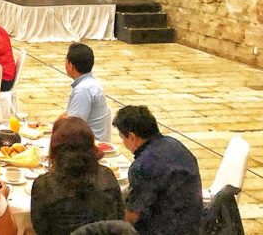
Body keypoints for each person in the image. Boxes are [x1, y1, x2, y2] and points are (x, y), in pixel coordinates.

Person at [113, 106, 202, 234]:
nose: (123, 142)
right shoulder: (175, 144)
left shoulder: (144, 165)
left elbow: (132, 216)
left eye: (123, 138)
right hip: (192, 224)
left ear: (132, 137)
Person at [31, 116, 124, 235]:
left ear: (56, 151)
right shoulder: (107, 175)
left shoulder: (45, 185)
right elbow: (119, 219)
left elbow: (40, 229)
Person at [59, 42, 111, 142]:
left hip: (86, 145)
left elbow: (73, 127)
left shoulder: (83, 90)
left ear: (70, 65)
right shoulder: (90, 84)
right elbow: (72, 113)